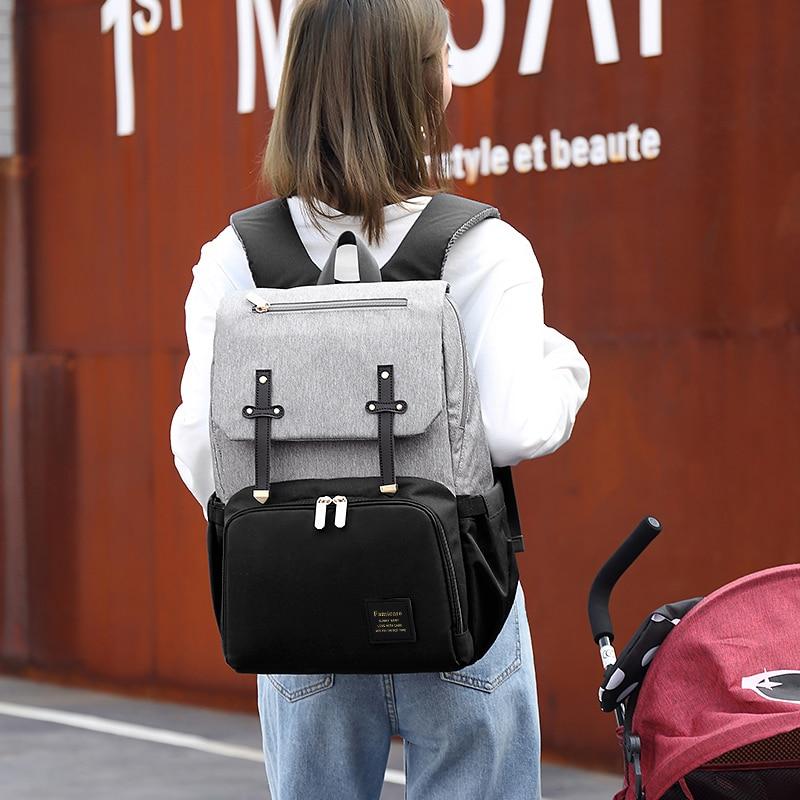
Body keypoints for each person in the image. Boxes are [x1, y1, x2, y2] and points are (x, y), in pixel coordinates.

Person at [170, 1, 591, 797]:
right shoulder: (482, 248)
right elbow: (513, 424)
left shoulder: (235, 257)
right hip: (458, 598)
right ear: (416, 87)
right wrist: (563, 365)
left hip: (300, 611)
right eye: (442, 58)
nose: (451, 75)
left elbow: (203, 452)